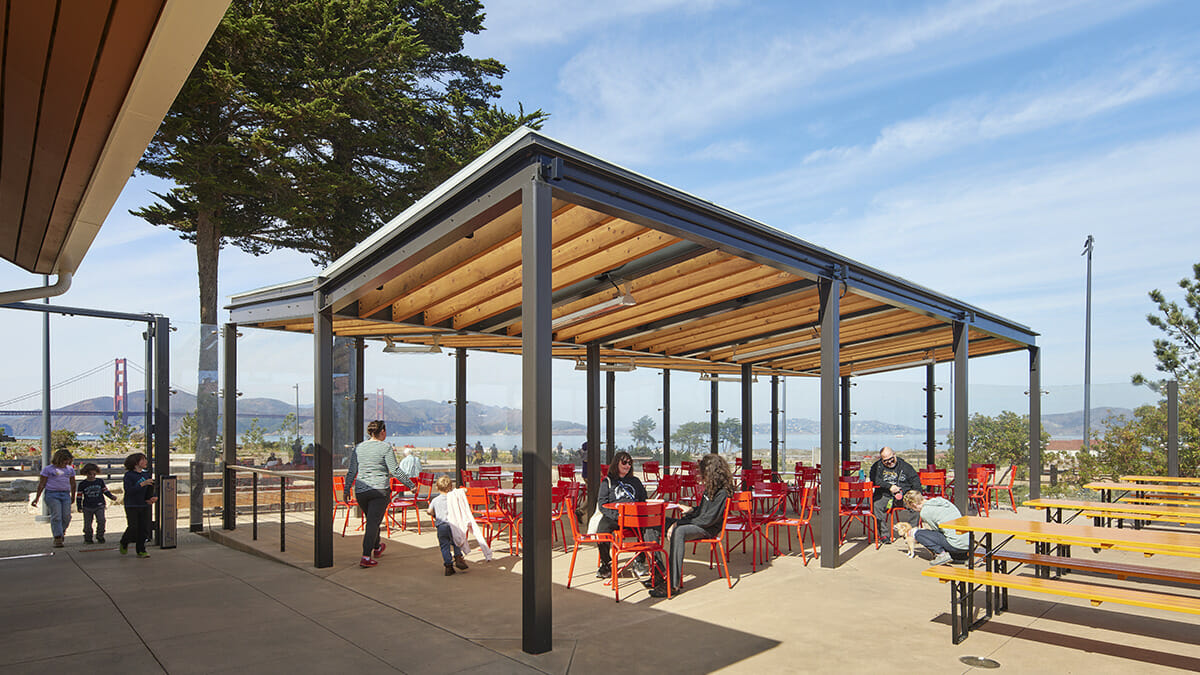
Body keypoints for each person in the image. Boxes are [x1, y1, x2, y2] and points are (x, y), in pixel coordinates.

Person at [651, 453, 734, 597]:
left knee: (679, 532)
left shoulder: (723, 493)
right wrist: (691, 509)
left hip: (707, 529)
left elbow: (708, 520)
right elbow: (703, 512)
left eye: (703, 473)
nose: (701, 476)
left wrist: (678, 523)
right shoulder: (711, 488)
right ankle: (657, 572)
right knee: (654, 524)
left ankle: (672, 584)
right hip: (699, 522)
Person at [345, 420, 415, 568]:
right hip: (379, 491)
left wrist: (346, 490)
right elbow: (395, 470)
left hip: (361, 491)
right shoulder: (386, 448)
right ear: (382, 432)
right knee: (373, 522)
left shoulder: (358, 448)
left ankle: (376, 547)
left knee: (372, 520)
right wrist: (411, 485)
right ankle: (365, 556)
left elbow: (352, 471)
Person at [594, 451, 648, 579]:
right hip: (614, 517)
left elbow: (643, 499)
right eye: (624, 462)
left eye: (630, 463)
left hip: (633, 517)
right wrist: (616, 516)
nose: (627, 465)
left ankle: (639, 561)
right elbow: (602, 504)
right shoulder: (607, 482)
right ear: (616, 463)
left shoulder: (635, 481)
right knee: (602, 530)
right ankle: (606, 563)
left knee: (648, 528)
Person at [868, 447, 921, 542]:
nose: (889, 462)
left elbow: (916, 481)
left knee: (915, 505)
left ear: (894, 455)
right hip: (885, 494)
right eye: (885, 461)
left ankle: (912, 532)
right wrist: (889, 486)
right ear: (881, 459)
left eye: (891, 459)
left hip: (904, 495)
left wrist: (914, 495)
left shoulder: (905, 466)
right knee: (876, 505)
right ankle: (883, 535)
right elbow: (875, 479)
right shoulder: (877, 467)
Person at [903, 490, 969, 565]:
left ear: (914, 504)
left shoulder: (925, 511)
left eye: (911, 508)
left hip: (954, 544)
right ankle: (962, 556)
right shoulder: (942, 501)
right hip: (966, 542)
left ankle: (941, 554)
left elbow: (937, 531)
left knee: (918, 533)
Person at [31, 449, 76, 548]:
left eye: (68, 461)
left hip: (65, 494)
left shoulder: (70, 470)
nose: (66, 463)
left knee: (66, 516)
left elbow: (73, 484)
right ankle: (57, 537)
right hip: (52, 494)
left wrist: (73, 496)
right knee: (56, 515)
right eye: (64, 461)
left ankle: (61, 530)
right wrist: (37, 498)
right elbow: (42, 484)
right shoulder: (48, 469)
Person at [427, 475, 471, 575]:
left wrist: (434, 514)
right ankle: (458, 557)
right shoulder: (453, 498)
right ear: (451, 487)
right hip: (453, 525)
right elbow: (464, 491)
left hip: (441, 526)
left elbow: (429, 511)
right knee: (456, 542)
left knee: (444, 546)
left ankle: (448, 565)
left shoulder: (435, 500)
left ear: (437, 487)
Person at [119, 452, 158, 558]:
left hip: (144, 505)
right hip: (132, 505)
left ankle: (141, 549)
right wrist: (142, 484)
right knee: (133, 527)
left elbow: (150, 488)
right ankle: (124, 541)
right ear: (136, 463)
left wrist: (153, 497)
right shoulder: (129, 475)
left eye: (145, 459)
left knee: (144, 528)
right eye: (143, 460)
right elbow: (129, 490)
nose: (145, 462)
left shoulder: (146, 474)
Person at [75, 463, 117, 544]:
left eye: (94, 474)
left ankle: (100, 535)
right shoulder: (82, 484)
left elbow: (105, 491)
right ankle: (88, 537)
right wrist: (79, 506)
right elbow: (79, 496)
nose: (92, 476)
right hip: (87, 506)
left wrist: (111, 496)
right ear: (86, 474)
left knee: (101, 521)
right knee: (87, 524)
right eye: (89, 474)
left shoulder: (99, 481)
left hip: (99, 504)